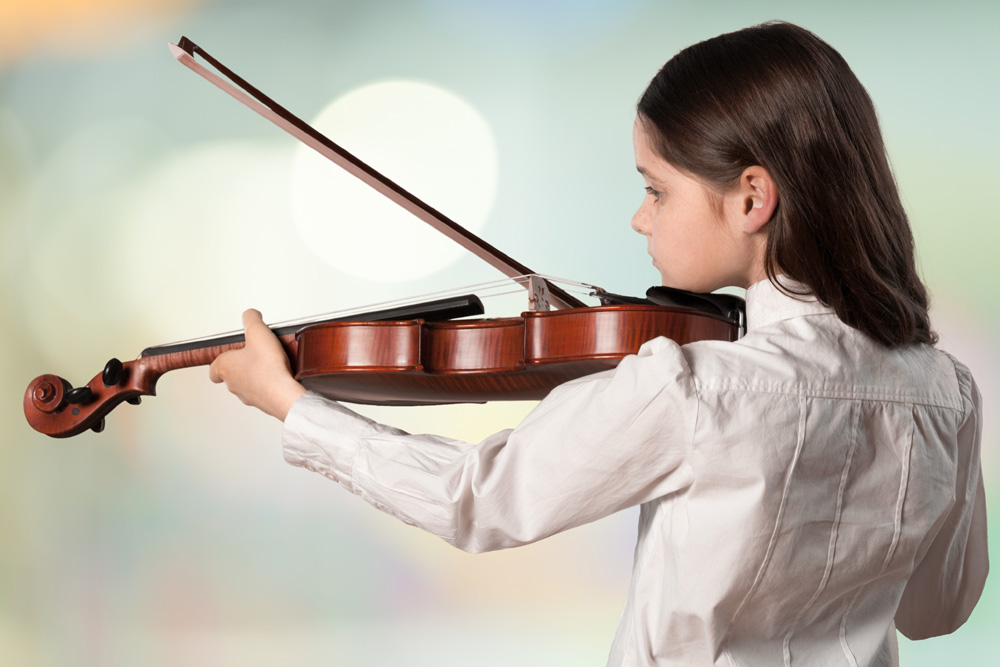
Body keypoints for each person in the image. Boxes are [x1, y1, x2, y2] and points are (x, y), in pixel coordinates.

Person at [208, 21, 987, 667]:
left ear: (752, 197)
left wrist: (292, 406)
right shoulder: (947, 392)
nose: (640, 219)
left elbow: (474, 499)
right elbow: (935, 612)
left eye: (656, 189)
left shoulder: (693, 388)